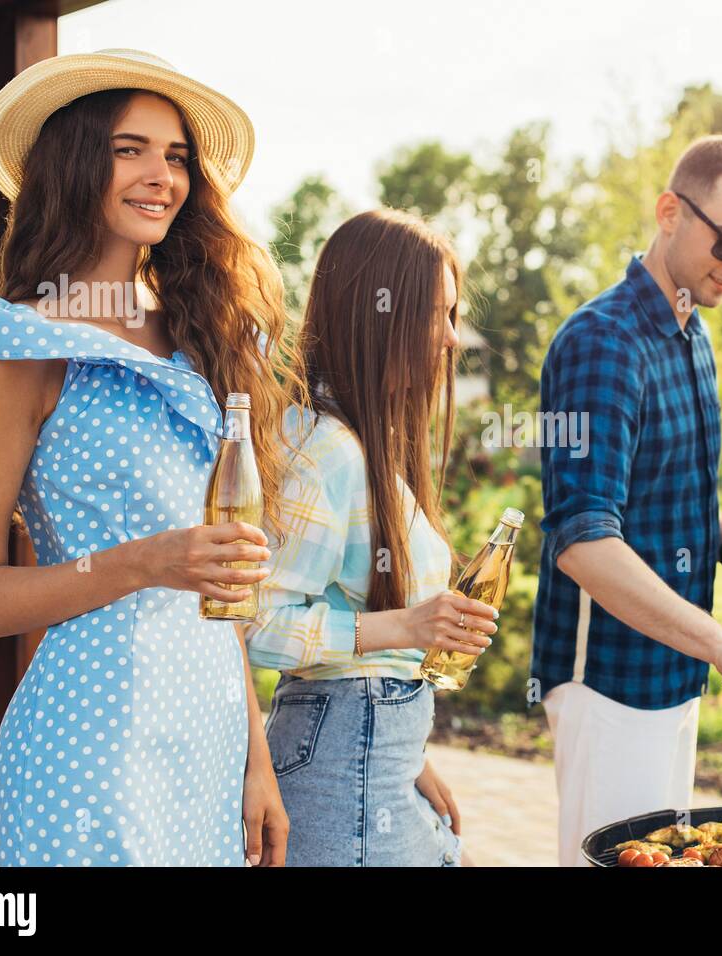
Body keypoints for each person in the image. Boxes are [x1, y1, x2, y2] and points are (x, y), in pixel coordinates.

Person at [0, 49, 297, 866]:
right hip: (89, 756)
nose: (160, 174)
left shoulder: (198, 342)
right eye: (130, 149)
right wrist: (144, 562)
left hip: (206, 748)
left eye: (176, 157)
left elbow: (223, 588)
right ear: (74, 164)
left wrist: (257, 760)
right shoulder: (18, 347)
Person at [533, 135, 722, 867]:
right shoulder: (603, 341)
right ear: (668, 212)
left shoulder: (694, 335)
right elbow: (584, 539)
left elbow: (666, 497)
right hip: (611, 682)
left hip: (676, 673)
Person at [244, 209, 490, 866]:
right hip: (340, 771)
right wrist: (408, 627)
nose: (451, 337)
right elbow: (254, 622)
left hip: (369, 760)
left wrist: (408, 761)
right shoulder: (326, 450)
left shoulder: (362, 444)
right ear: (379, 315)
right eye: (435, 315)